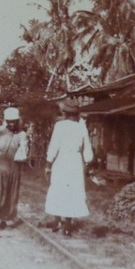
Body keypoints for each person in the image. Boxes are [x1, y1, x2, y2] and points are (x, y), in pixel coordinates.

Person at [44, 100, 97, 236]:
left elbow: (54, 146)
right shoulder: (82, 128)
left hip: (62, 161)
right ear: (76, 114)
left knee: (58, 188)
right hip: (75, 163)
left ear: (65, 113)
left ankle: (57, 220)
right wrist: (87, 163)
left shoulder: (60, 126)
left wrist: (48, 165)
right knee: (72, 191)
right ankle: (67, 225)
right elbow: (87, 150)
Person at [0, 106, 29, 231]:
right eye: (9, 121)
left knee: (9, 195)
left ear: (18, 121)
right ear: (6, 121)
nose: (12, 124)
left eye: (14, 121)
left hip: (13, 170)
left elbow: (24, 152)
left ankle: (3, 219)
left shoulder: (22, 135)